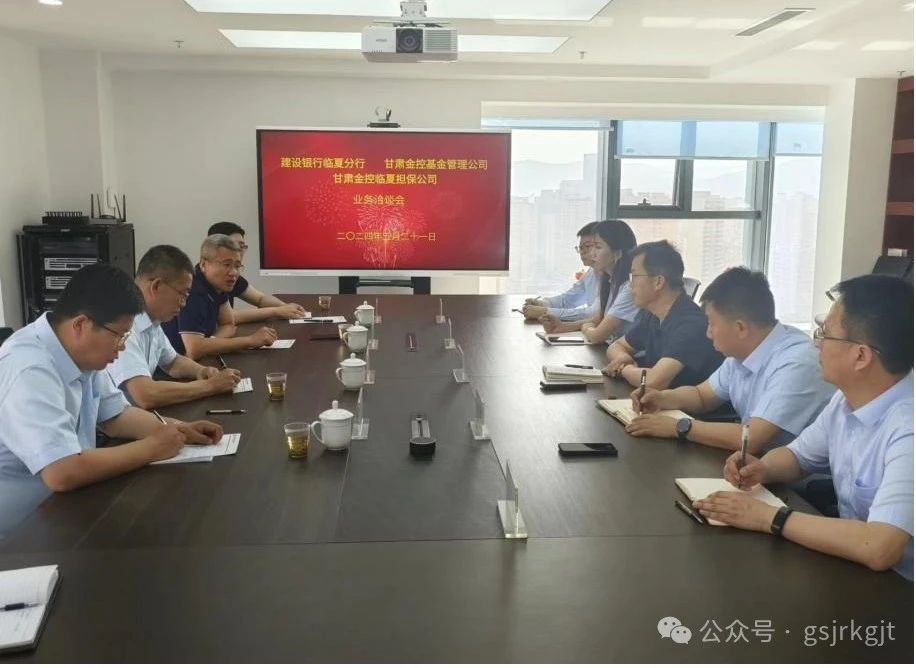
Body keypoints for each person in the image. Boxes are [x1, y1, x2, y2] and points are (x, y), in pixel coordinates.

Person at [694, 275, 913, 580]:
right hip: (856, 571)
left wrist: (769, 518)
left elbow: (879, 546)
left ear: (860, 356)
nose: (816, 344)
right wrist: (762, 468)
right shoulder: (845, 400)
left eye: (825, 334)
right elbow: (798, 457)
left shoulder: (908, 428)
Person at [0, 264, 222, 536]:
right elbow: (62, 471)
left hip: (66, 508)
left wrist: (176, 428)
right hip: (20, 535)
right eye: (119, 335)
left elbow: (116, 415)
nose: (123, 346)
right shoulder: (29, 368)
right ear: (80, 324)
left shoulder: (78, 353)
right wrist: (153, 447)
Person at [626, 267, 833, 452]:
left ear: (740, 328)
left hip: (800, 479)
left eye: (711, 324)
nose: (708, 333)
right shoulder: (743, 351)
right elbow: (702, 396)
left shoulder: (796, 363)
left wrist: (679, 427)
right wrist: (662, 398)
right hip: (756, 464)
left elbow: (751, 438)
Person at [107, 245, 243, 409]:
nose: (184, 303)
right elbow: (145, 395)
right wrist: (211, 386)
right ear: (156, 286)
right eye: (183, 294)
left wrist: (202, 371)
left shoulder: (152, 321)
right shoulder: (122, 324)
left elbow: (173, 362)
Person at [603, 240, 723, 389]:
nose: (630, 284)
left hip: (687, 403)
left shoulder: (691, 324)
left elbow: (654, 381)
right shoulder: (653, 314)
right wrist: (623, 358)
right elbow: (617, 345)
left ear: (658, 282)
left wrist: (625, 369)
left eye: (634, 276)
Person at [162, 234, 279, 360]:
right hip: (170, 367)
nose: (233, 272)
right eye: (226, 265)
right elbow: (194, 349)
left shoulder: (217, 284)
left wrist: (211, 342)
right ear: (203, 264)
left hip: (195, 361)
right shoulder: (192, 289)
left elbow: (228, 324)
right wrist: (250, 340)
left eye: (237, 266)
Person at [539, 220, 641, 343]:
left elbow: (596, 336)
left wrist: (586, 327)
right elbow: (598, 319)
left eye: (597, 247)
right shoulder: (610, 282)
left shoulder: (629, 288)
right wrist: (562, 327)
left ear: (618, 253)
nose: (592, 253)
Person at [206, 221, 305, 322]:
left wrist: (286, 307)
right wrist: (276, 311)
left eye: (242, 246)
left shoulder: (232, 274)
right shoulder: (204, 279)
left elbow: (260, 299)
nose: (239, 252)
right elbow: (227, 317)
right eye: (234, 246)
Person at [522, 222, 599, 321]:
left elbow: (592, 314)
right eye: (580, 248)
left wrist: (544, 312)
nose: (582, 252)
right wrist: (543, 304)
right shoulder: (592, 272)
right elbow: (568, 300)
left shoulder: (612, 278)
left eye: (588, 246)